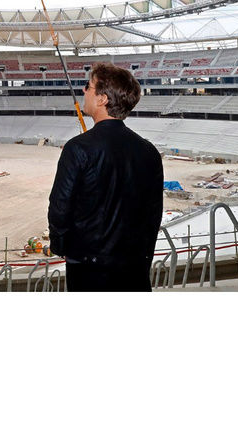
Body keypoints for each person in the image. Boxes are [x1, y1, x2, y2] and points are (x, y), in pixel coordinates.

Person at [48, 62, 163, 292]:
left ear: (102, 99)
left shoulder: (77, 148)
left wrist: (61, 246)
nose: (84, 91)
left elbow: (60, 208)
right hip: (135, 269)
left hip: (90, 271)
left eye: (88, 86)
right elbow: (153, 214)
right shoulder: (149, 151)